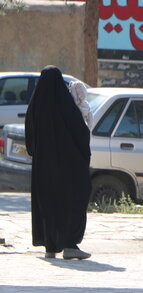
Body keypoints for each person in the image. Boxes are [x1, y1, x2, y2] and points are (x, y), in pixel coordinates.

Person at [25, 66, 92, 260]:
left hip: (43, 169)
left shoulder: (35, 107)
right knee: (72, 199)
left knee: (48, 204)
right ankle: (70, 244)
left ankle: (50, 245)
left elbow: (30, 137)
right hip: (68, 167)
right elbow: (81, 133)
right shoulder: (65, 106)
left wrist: (37, 154)